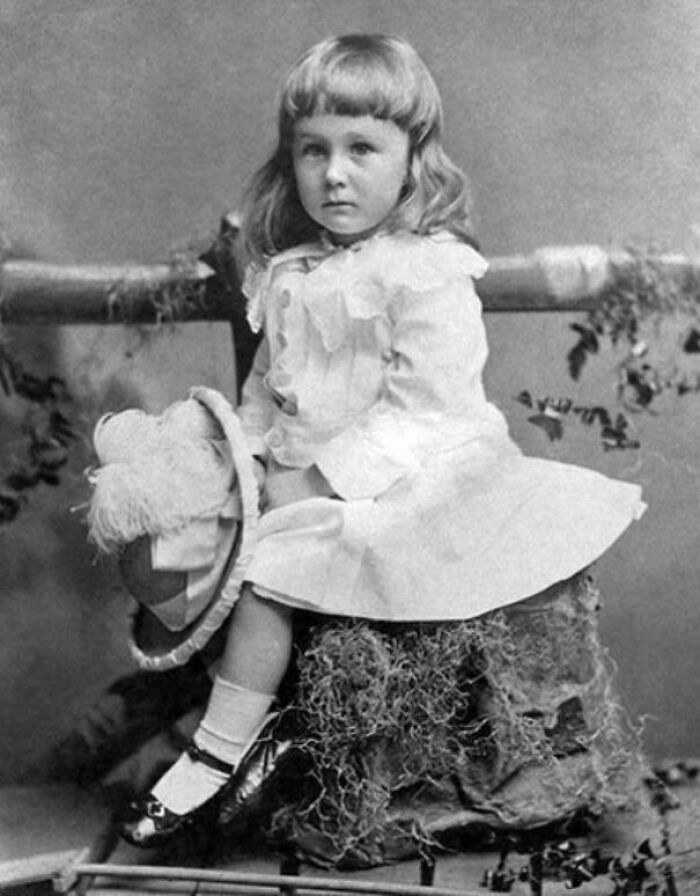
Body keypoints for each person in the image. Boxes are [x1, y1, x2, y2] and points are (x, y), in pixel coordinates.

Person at [120, 32, 645, 848]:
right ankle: (252, 727)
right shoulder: (293, 272)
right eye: (312, 150)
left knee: (273, 570)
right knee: (208, 539)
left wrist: (314, 483)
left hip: (427, 472)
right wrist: (250, 461)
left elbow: (422, 412)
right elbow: (271, 391)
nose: (334, 174)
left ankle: (215, 755)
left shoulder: (426, 271)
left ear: (412, 158)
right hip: (315, 467)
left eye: (362, 148)